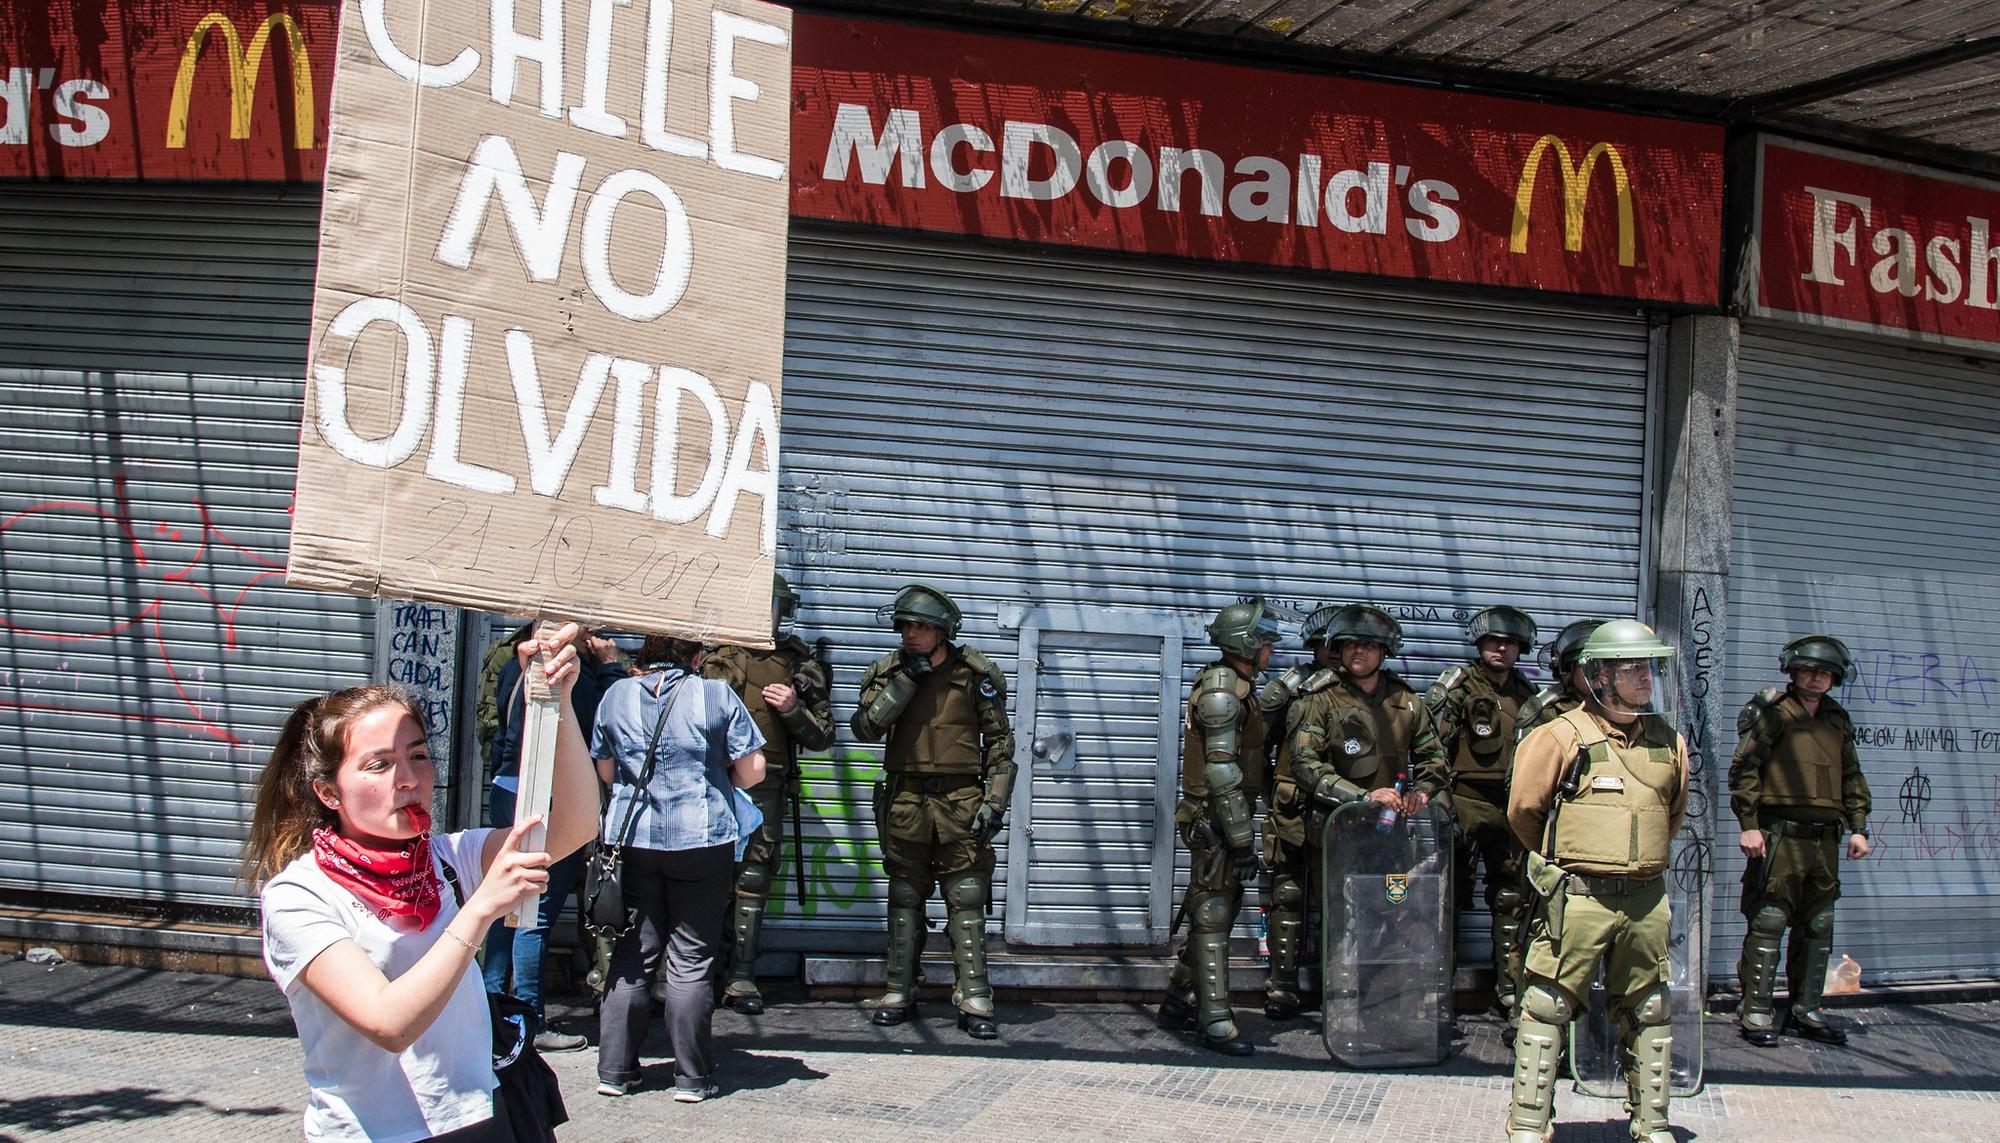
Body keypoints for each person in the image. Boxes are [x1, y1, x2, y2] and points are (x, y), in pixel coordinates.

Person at [247, 626, 597, 1142]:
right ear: (328, 792)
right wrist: (479, 910)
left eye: (417, 755)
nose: (408, 779)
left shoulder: (446, 857)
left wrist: (557, 703)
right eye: (379, 765)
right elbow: (390, 1023)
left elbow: (575, 824)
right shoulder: (299, 895)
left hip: (482, 1113)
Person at [1505, 619, 1688, 1143]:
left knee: (1651, 1006)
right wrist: (1572, 858)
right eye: (1632, 669)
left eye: (1650, 668)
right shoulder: (1559, 736)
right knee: (1545, 1006)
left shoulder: (1668, 742)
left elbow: (1670, 815)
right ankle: (1528, 1127)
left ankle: (1651, 1125)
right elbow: (1524, 812)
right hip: (1580, 896)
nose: (1645, 679)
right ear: (1599, 675)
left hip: (1646, 899)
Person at [593, 634, 766, 1102]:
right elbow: (753, 771)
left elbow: (606, 773)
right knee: (691, 959)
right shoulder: (714, 693)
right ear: (694, 656)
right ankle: (691, 1078)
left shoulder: (615, 696)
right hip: (702, 838)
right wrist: (712, 776)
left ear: (646, 654)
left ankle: (615, 1073)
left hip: (634, 840)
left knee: (632, 956)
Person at [850, 584, 1016, 1040]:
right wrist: (908, 679)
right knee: (905, 895)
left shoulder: (972, 675)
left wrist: (995, 802)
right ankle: (900, 990)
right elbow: (865, 728)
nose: (912, 634)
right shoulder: (888, 674)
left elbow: (1002, 746)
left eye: (922, 626)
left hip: (961, 799)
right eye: (906, 625)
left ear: (944, 631)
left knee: (966, 896)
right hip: (905, 801)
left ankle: (975, 994)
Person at [484, 626, 629, 1051]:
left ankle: (489, 1005)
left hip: (508, 786)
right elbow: (602, 723)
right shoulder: (571, 674)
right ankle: (528, 1019)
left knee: (503, 900)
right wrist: (609, 669)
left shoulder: (515, 663)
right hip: (545, 796)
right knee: (535, 907)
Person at [701, 574, 836, 1014]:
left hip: (767, 787)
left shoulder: (798, 665)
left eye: (773, 606)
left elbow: (822, 737)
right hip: (707, 783)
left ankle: (741, 975)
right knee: (700, 875)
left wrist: (793, 710)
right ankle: (690, 975)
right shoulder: (711, 654)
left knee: (754, 878)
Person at [1730, 633, 1872, 1047]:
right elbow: (1745, 769)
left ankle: (1805, 1010)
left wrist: (1858, 825)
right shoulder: (1774, 713)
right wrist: (1749, 824)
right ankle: (1755, 1011)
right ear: (1793, 671)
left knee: (1818, 925)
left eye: (1825, 673)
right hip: (1778, 836)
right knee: (1770, 920)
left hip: (1824, 840)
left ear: (1836, 678)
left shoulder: (1836, 719)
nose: (1816, 679)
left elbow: (1851, 776)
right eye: (1809, 670)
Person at [1159, 598, 1281, 1055]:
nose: (1270, 647)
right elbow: (1221, 771)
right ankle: (1214, 1022)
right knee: (1212, 917)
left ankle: (1175, 1002)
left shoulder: (1239, 686)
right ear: (1245, 643)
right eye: (1264, 639)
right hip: (1216, 819)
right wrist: (1242, 838)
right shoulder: (1223, 691)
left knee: (1218, 911)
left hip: (1224, 816)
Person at [1425, 605, 1540, 1022]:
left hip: (1511, 807)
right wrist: (1442, 803)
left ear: (1520, 649)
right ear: (1480, 643)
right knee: (1447, 898)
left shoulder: (1528, 695)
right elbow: (1431, 749)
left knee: (1511, 898)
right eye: (1494, 641)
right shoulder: (1457, 687)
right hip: (1464, 801)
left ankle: (1509, 991)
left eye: (1509, 643)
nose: (1501, 648)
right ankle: (1438, 995)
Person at [1256, 604, 1340, 1020]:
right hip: (1292, 808)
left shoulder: (1365, 688)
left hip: (1346, 812)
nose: (1336, 651)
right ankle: (1283, 988)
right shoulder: (1287, 689)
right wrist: (1268, 791)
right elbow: (1256, 745)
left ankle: (1338, 988)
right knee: (1288, 895)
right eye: (1328, 643)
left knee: (1342, 902)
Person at [1515, 618, 1606, 738]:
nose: (1602, 673)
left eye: (1608, 665)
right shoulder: (1548, 715)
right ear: (1567, 671)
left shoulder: (1627, 710)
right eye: (1590, 665)